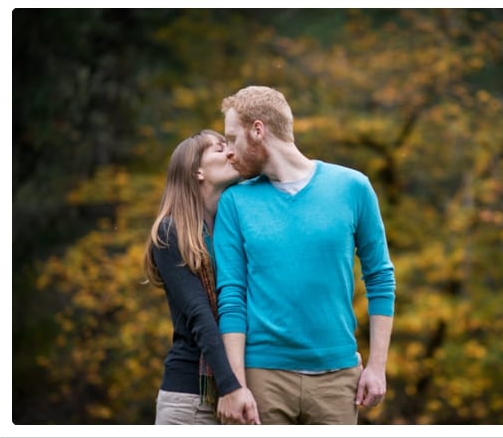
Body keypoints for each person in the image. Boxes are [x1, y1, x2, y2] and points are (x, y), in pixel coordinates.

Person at [214, 86, 396, 425]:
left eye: (232, 138)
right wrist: (236, 384)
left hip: (338, 377)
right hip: (261, 377)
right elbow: (232, 297)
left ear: (258, 130)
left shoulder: (353, 187)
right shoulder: (234, 202)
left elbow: (381, 277)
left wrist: (377, 366)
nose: (229, 152)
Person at [143, 129, 260, 425]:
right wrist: (231, 386)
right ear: (197, 171)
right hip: (191, 400)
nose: (231, 152)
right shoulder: (170, 233)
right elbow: (200, 315)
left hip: (242, 388)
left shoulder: (231, 227)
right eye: (220, 149)